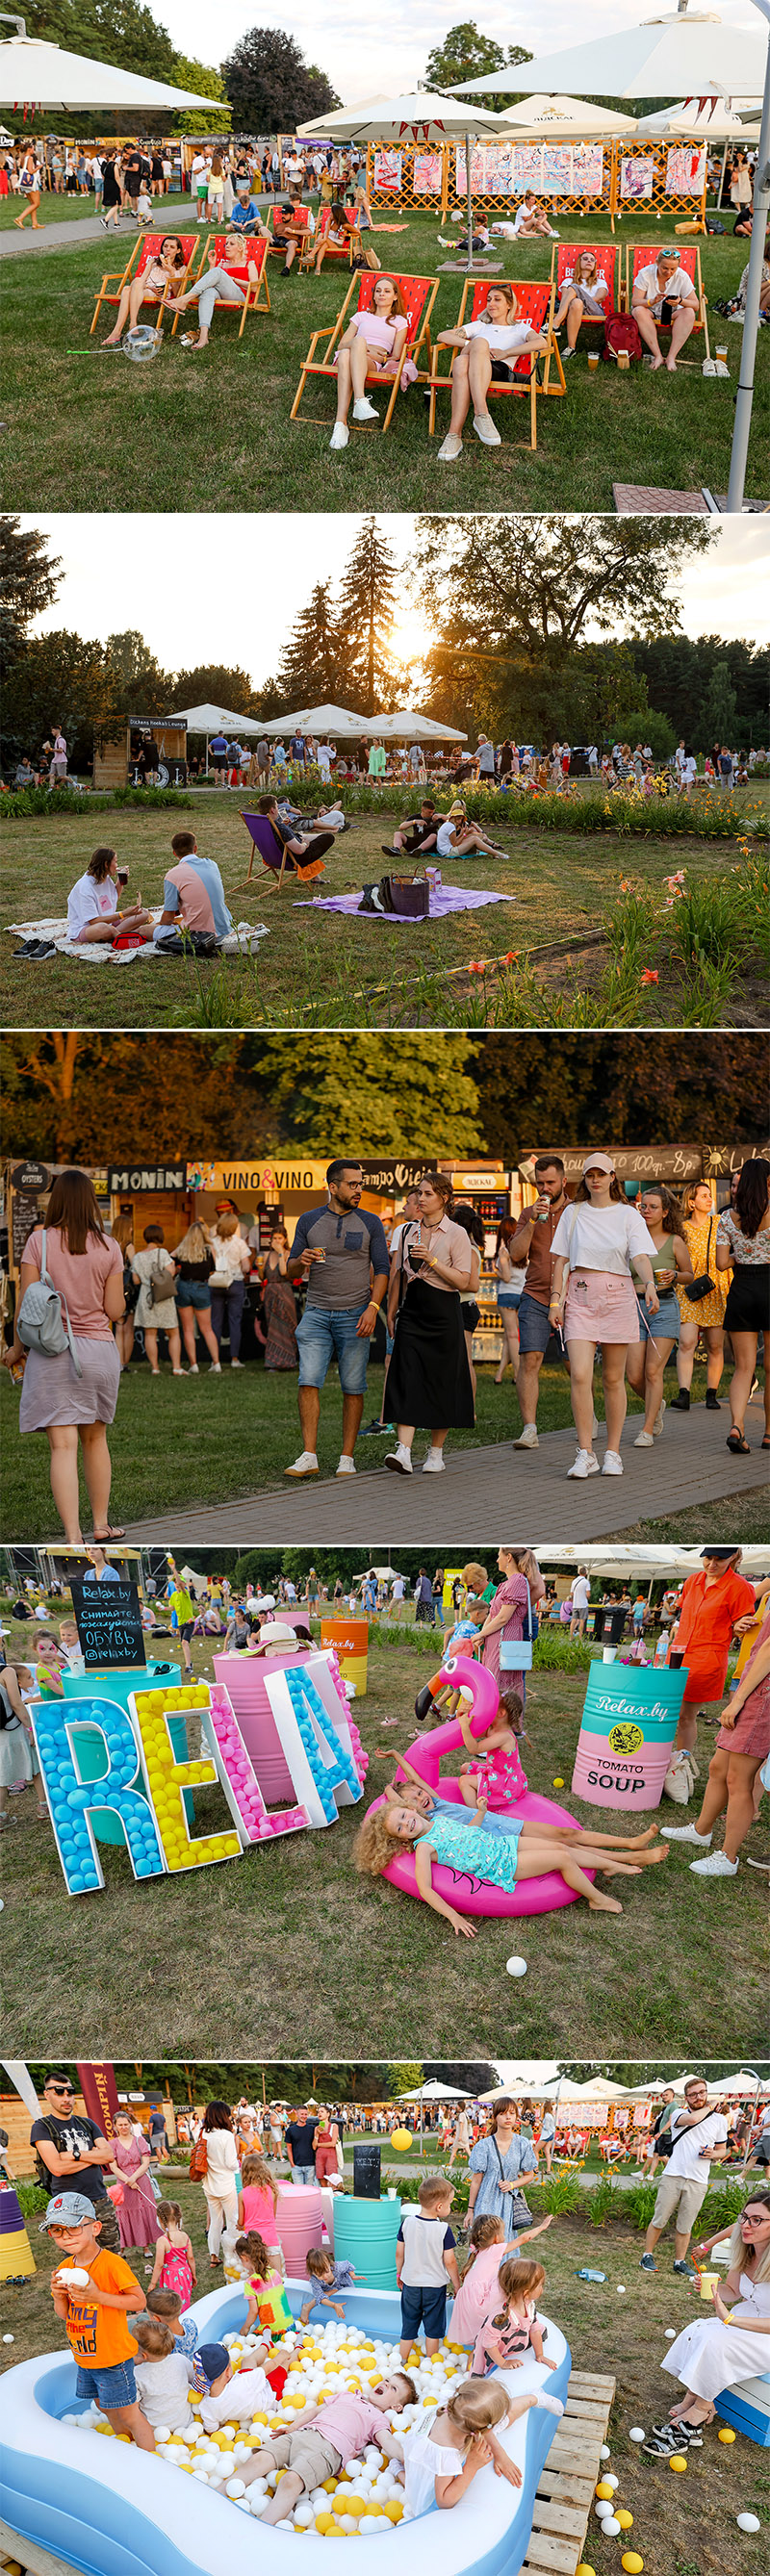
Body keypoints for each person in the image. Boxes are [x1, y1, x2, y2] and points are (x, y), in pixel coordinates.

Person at [5, 1169, 124, 1543]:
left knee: (62, 1446)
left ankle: (73, 1535)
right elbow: (116, 1309)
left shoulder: (38, 1242)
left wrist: (16, 1351)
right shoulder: (110, 1246)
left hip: (52, 1353)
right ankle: (101, 1525)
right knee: (95, 1440)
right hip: (99, 1353)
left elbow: (27, 1307)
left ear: (54, 1200)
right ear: (92, 1202)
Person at [549, 1154, 659, 1479]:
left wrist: (649, 1284)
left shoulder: (628, 1215)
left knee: (613, 1378)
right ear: (583, 1179)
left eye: (601, 1174)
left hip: (617, 1295)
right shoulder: (573, 1212)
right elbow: (560, 1261)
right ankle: (585, 1452)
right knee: (580, 1374)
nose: (595, 1179)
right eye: (589, 1174)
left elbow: (639, 1255)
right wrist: (556, 1301)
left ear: (613, 1177)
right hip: (580, 1295)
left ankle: (613, 1452)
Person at [644, 2191, 770, 2455]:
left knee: (716, 2341)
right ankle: (694, 2398)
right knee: (699, 2329)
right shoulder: (745, 2249)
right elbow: (733, 2292)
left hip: (765, 2333)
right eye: (745, 2217)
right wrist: (712, 2289)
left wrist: (731, 2319)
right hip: (747, 2317)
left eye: (757, 2220)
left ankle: (697, 2416)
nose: (746, 2225)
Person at [284, 1161, 390, 1479]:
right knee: (307, 1381)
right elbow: (289, 1269)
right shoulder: (309, 1220)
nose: (359, 1190)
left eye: (360, 1184)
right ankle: (309, 1455)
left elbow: (382, 1269)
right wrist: (299, 1263)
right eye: (353, 1184)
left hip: (356, 1313)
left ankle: (347, 1457)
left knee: (353, 1387)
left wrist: (372, 1307)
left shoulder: (371, 1222)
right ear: (333, 1187)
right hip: (316, 1312)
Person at [662, 1589, 770, 1879]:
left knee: (739, 1779)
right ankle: (701, 1830)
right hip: (754, 1687)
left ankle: (728, 1856)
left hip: (762, 1694)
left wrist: (738, 1700)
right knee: (718, 1767)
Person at [384, 1171, 478, 1476]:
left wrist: (434, 1261)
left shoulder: (456, 1234)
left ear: (444, 1198)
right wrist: (391, 1309)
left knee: (442, 1379)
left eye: (427, 1194)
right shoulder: (408, 1230)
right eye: (419, 1194)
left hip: (444, 1309)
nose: (420, 1199)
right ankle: (404, 1450)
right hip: (413, 1309)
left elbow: (465, 1281)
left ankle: (436, 1451)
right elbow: (399, 1273)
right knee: (406, 1374)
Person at [42, 2190, 152, 2448]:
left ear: (95, 2227)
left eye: (72, 2228)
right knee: (106, 2407)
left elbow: (139, 2302)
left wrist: (98, 2296)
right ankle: (127, 2446)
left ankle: (151, 2459)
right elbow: (65, 2315)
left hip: (113, 2358)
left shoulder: (112, 2264)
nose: (65, 2236)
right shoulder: (65, 2268)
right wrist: (59, 2297)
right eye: (56, 2230)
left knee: (129, 2413)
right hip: (85, 2358)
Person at [238, 2370, 416, 2516]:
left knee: (290, 2480)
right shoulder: (348, 2396)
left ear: (396, 2408)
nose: (385, 2384)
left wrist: (404, 2458)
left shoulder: (378, 2418)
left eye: (393, 2388)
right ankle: (219, 2493)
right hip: (304, 2433)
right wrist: (293, 2427)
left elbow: (388, 2440)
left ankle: (265, 2527)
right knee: (258, 2459)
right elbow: (316, 2410)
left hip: (329, 2448)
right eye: (386, 2380)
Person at [434, 284, 549, 463]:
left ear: (509, 304)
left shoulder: (519, 328)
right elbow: (443, 336)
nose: (491, 304)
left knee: (460, 362)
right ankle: (481, 414)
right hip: (475, 363)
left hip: (498, 368)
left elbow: (541, 342)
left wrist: (507, 353)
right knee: (479, 342)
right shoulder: (480, 325)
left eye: (497, 299)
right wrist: (472, 346)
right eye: (488, 300)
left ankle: (454, 436)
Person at [666, 1543, 756, 1767]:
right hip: (677, 1654)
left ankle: (680, 1767)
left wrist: (738, 1627)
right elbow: (682, 1611)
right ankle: (658, 1761)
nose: (712, 1564)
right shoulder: (692, 1580)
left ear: (733, 1557)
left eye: (719, 1559)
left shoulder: (740, 1587)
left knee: (686, 1716)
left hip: (706, 1658)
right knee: (665, 1713)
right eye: (708, 1558)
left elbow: (743, 1627)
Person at [509, 1156, 572, 1448]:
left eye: (550, 1182)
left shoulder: (578, 1211)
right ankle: (529, 1429)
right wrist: (533, 1219)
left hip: (572, 1297)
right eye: (539, 1183)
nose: (544, 1189)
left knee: (575, 1365)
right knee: (529, 1360)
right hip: (534, 1295)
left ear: (563, 1181)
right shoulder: (527, 1213)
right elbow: (516, 1255)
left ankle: (589, 1416)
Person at [625, 1183, 694, 1445]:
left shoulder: (674, 1241)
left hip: (664, 1307)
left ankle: (647, 1428)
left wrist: (675, 1275)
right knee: (634, 1375)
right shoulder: (631, 1238)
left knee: (653, 1371)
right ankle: (657, 1404)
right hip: (634, 1308)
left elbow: (689, 1275)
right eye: (643, 1206)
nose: (646, 1211)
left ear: (665, 1212)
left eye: (653, 1207)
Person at [640, 2077, 729, 2278]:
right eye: (693, 2094)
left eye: (702, 2092)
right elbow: (693, 2120)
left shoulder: (720, 2120)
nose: (699, 2097)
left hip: (698, 2179)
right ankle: (647, 2255)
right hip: (674, 2175)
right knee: (659, 2219)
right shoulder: (679, 2113)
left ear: (707, 2092)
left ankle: (679, 2262)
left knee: (685, 2224)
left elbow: (723, 2150)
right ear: (686, 2098)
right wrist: (712, 2106)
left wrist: (712, 2154)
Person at [715, 1158, 770, 1454]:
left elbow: (722, 1263)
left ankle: (737, 1425)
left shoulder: (727, 1218)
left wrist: (743, 1256)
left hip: (741, 1290)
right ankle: (769, 1433)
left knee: (743, 1368)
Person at [329, 275, 412, 449]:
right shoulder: (361, 316)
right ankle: (360, 401)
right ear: (373, 295)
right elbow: (343, 344)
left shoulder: (400, 321)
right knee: (354, 345)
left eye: (387, 291)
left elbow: (396, 355)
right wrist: (364, 347)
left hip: (371, 361)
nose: (382, 294)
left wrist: (372, 354)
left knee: (347, 354)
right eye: (378, 290)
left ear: (395, 296)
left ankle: (340, 424)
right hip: (353, 351)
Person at [671, 1178, 729, 1411]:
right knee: (686, 1342)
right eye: (703, 1196)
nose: (709, 1199)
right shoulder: (681, 1229)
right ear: (691, 1202)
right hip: (689, 1289)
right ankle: (684, 1393)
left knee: (715, 1345)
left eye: (709, 1195)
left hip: (716, 1288)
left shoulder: (720, 1223)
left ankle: (711, 1394)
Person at [396, 2176, 460, 2359]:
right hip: (434, 2287)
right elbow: (450, 2262)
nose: (450, 2207)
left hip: (411, 2284)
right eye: (449, 2203)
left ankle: (402, 2359)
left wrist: (399, 2273)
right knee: (433, 2327)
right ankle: (432, 2364)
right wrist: (457, 2285)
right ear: (439, 2207)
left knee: (409, 2324)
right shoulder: (443, 2230)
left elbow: (399, 2253)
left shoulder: (406, 2223)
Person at [170, 233, 267, 349]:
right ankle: (203, 337)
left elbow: (255, 287)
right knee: (208, 292)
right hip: (221, 295)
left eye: (231, 244)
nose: (227, 246)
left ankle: (184, 299)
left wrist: (234, 280)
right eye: (226, 244)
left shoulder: (249, 264)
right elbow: (209, 282)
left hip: (240, 296)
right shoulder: (222, 264)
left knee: (218, 272)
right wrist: (212, 265)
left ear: (240, 248)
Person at [476, 1546, 545, 1694]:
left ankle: (503, 1714)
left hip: (506, 1636)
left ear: (508, 1557)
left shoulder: (517, 1581)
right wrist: (484, 1633)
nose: (496, 1560)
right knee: (493, 1679)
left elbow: (502, 1618)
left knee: (502, 1683)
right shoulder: (505, 1584)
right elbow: (494, 1613)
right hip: (497, 1636)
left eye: (498, 1556)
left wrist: (480, 1634)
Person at [102, 235, 188, 345]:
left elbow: (176, 293)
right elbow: (141, 280)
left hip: (161, 295)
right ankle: (130, 325)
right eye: (165, 246)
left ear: (178, 250)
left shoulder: (181, 268)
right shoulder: (153, 262)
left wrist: (171, 271)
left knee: (127, 290)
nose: (167, 249)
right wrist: (149, 287)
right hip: (145, 289)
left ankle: (118, 332)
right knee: (131, 286)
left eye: (172, 247)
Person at [153, 829, 232, 948]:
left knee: (145, 930)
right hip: (224, 929)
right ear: (195, 849)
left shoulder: (172, 875)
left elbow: (168, 918)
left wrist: (159, 923)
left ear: (174, 853)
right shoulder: (212, 864)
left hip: (199, 936)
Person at [64, 845, 151, 947]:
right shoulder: (85, 887)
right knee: (103, 928)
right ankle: (122, 936)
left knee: (143, 913)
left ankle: (115, 935)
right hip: (87, 928)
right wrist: (123, 914)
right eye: (115, 861)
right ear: (106, 864)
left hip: (108, 924)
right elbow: (93, 921)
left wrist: (121, 879)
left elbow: (114, 898)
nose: (117, 865)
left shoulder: (104, 878)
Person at [631, 247, 700, 371]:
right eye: (665, 268)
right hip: (649, 315)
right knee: (638, 311)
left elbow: (695, 305)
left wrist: (680, 301)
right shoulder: (645, 274)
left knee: (689, 312)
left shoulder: (682, 276)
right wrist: (650, 301)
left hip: (672, 316)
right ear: (657, 263)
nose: (669, 272)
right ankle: (657, 355)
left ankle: (671, 357)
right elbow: (635, 301)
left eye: (673, 269)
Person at [106, 2110, 161, 2255]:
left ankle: (146, 2246)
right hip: (123, 2184)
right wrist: (128, 2181)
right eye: (120, 2125)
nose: (123, 2127)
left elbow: (145, 2163)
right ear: (115, 2126)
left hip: (141, 2180)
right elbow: (113, 2166)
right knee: (123, 2213)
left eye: (126, 2124)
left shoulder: (140, 2140)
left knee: (143, 2211)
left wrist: (133, 2178)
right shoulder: (112, 2144)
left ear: (130, 2124)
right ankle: (122, 2247)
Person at [131, 1224, 182, 1378]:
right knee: (173, 1332)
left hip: (147, 1297)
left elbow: (136, 1280)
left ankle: (155, 1368)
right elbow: (170, 1272)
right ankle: (176, 1367)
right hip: (164, 1296)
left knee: (150, 1334)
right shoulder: (163, 1252)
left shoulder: (138, 1257)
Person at [171, 1222, 220, 1373]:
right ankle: (216, 1363)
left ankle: (193, 1364)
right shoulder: (208, 1249)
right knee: (207, 1328)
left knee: (187, 1329)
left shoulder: (182, 1249)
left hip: (184, 1287)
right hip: (202, 1288)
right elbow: (212, 1270)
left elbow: (169, 1258)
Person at [206, 1210, 250, 1368]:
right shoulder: (239, 1243)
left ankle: (215, 1360)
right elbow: (246, 1266)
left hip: (215, 1283)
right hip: (234, 1283)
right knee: (234, 1321)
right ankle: (235, 1359)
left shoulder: (211, 1242)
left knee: (215, 1322)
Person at [200, 2101, 239, 2268]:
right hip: (225, 2184)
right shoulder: (226, 2135)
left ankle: (213, 2256)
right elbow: (231, 2163)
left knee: (215, 2222)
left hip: (209, 2184)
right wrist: (238, 2162)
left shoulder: (203, 2134)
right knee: (232, 2221)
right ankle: (233, 2255)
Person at [552, 249, 608, 354]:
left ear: (594, 265)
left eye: (592, 260)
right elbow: (565, 300)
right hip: (573, 310)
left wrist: (582, 300)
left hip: (594, 310)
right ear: (579, 262)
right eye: (585, 259)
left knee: (574, 288)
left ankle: (555, 323)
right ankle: (571, 348)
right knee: (576, 302)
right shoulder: (567, 280)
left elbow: (600, 298)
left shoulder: (600, 282)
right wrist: (579, 303)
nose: (589, 261)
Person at [260, 1227, 298, 1368]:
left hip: (284, 1291)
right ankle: (272, 1361)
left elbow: (284, 1272)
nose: (277, 1241)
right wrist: (259, 1267)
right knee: (272, 1326)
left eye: (279, 1238)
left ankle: (288, 1361)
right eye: (274, 1238)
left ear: (285, 1240)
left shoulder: (288, 1254)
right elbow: (261, 1276)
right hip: (270, 1291)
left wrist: (281, 1252)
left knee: (285, 1324)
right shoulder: (266, 1255)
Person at [148, 2200, 196, 2306]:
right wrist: (193, 2275)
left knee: (171, 2304)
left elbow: (159, 2265)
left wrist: (152, 2283)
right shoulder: (185, 2236)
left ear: (160, 2219)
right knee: (184, 2300)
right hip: (185, 2274)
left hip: (170, 2276)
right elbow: (191, 2258)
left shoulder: (163, 2240)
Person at [433, 799, 507, 861]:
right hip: (448, 852)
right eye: (458, 819)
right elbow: (455, 844)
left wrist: (463, 833)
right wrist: (464, 834)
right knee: (474, 839)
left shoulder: (449, 824)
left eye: (460, 819)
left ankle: (494, 852)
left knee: (473, 837)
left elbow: (455, 841)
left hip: (446, 850)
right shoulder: (451, 826)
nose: (459, 821)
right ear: (453, 818)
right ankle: (497, 854)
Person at [300, 2244, 357, 2323]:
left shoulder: (337, 2267)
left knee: (352, 2300)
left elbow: (348, 2265)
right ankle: (307, 2307)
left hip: (345, 2285)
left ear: (329, 2264)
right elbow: (320, 2297)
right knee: (321, 2296)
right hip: (330, 2289)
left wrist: (353, 2276)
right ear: (312, 2272)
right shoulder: (314, 2280)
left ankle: (330, 2292)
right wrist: (334, 2305)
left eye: (327, 2271)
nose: (325, 2276)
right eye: (320, 2274)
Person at [284, 2105, 317, 2185]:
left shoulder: (312, 2129)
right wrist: (292, 2163)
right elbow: (289, 2147)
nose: (304, 2116)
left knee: (309, 2190)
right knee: (299, 2190)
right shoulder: (290, 2130)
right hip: (297, 2166)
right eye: (302, 2114)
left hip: (310, 2165)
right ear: (297, 2114)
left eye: (306, 2114)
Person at [570, 1569, 591, 1639]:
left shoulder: (574, 1581)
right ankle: (580, 1637)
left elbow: (571, 1593)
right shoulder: (586, 1582)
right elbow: (588, 1594)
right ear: (585, 1573)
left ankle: (571, 1636)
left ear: (579, 1573)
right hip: (583, 1604)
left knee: (573, 1620)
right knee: (582, 1621)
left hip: (575, 1604)